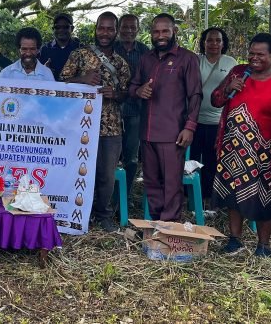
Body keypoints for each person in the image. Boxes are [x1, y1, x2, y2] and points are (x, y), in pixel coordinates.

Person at [211, 33, 271, 257]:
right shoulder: (238, 73)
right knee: (233, 195)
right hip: (232, 148)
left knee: (264, 198)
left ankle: (264, 246)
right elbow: (215, 100)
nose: (254, 58)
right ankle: (235, 241)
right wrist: (227, 88)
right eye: (251, 54)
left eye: (260, 54)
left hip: (264, 151)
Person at [61, 12, 131, 232]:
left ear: (116, 31)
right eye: (102, 28)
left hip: (110, 128)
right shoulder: (79, 55)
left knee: (106, 175)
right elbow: (61, 82)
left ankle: (102, 214)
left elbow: (126, 92)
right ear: (96, 28)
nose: (105, 33)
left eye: (110, 29)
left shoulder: (120, 62)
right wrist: (82, 79)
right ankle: (78, 212)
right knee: (76, 171)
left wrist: (116, 94)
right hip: (79, 127)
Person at [130, 13, 201, 223]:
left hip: (173, 134)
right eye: (156, 31)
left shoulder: (187, 59)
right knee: (151, 183)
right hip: (148, 133)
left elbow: (195, 95)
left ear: (174, 32)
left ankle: (169, 228)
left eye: (165, 31)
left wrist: (190, 127)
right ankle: (155, 226)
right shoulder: (146, 59)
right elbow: (133, 86)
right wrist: (139, 90)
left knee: (171, 184)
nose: (160, 36)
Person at [190, 27, 237, 205]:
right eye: (210, 40)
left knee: (212, 160)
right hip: (194, 120)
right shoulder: (196, 61)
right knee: (192, 159)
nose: (214, 44)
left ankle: (210, 197)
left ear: (223, 43)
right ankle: (192, 196)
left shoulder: (230, 62)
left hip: (218, 121)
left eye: (218, 40)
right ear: (203, 42)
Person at [113, 14, 149, 198]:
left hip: (135, 111)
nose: (128, 31)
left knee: (132, 158)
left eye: (132, 27)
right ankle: (107, 196)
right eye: (124, 27)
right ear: (118, 29)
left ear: (138, 29)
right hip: (110, 111)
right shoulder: (110, 49)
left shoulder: (145, 51)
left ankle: (124, 196)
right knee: (109, 157)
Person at [39, 13, 82, 81]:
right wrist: (44, 70)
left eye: (65, 27)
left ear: (72, 28)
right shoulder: (44, 50)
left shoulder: (81, 49)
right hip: (52, 90)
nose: (61, 30)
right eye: (57, 27)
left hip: (74, 90)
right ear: (53, 29)